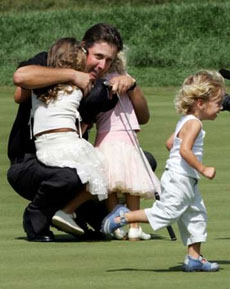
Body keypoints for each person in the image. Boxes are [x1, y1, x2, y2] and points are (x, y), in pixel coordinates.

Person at [8, 23, 157, 241]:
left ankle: (77, 210)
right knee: (71, 176)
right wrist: (72, 75)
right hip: (30, 163)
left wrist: (132, 84)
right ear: (84, 47)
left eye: (108, 60)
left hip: (74, 158)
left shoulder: (100, 84)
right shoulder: (51, 59)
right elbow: (21, 79)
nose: (102, 65)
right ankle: (36, 216)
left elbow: (142, 116)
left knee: (140, 162)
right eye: (98, 56)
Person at [101, 70, 224, 272]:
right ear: (200, 103)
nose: (221, 107)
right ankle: (123, 217)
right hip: (181, 179)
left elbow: (171, 144)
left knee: (196, 216)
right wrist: (203, 168)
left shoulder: (185, 120)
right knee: (167, 213)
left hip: (185, 179)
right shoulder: (194, 123)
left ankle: (194, 258)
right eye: (217, 102)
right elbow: (184, 150)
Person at [30, 37, 109, 237]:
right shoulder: (81, 86)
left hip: (44, 149)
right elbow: (99, 95)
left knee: (86, 176)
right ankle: (66, 212)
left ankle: (76, 214)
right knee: (104, 175)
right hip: (68, 143)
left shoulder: (38, 88)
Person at [95, 52, 161, 240]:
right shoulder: (123, 81)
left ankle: (116, 227)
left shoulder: (98, 83)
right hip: (125, 137)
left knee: (111, 186)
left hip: (103, 138)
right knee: (133, 184)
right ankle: (134, 227)